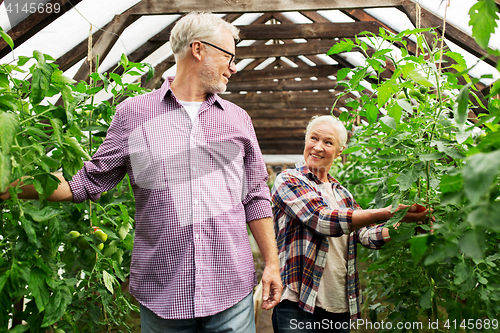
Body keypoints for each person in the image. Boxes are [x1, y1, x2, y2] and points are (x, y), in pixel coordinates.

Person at [0, 12, 282, 333]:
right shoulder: (133, 114)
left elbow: (256, 196)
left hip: (230, 286)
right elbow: (86, 183)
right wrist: (13, 185)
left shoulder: (237, 119)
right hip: (163, 291)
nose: (233, 66)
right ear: (198, 49)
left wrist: (272, 264)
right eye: (229, 56)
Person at [270, 115, 431, 332]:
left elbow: (365, 235)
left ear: (340, 151)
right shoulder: (289, 179)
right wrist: (385, 212)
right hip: (299, 302)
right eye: (313, 138)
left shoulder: (343, 194)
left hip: (340, 305)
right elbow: (321, 219)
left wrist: (404, 224)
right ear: (305, 140)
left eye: (328, 142)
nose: (318, 147)